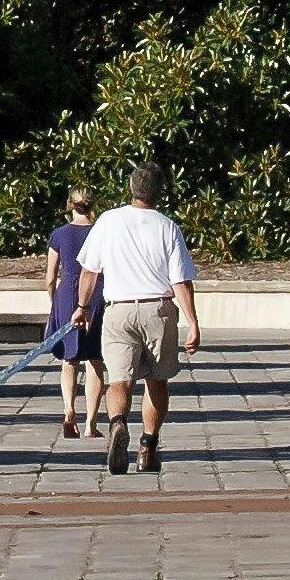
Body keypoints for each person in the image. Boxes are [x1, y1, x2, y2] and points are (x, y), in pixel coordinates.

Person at [79, 165, 199, 473]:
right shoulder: (167, 227)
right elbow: (180, 281)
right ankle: (148, 445)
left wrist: (82, 307)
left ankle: (118, 423)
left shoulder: (107, 220)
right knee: (156, 381)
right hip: (157, 309)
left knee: (119, 380)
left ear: (131, 188)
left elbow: (89, 270)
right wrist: (192, 322)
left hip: (118, 308)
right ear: (159, 191)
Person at [41, 187, 101, 438]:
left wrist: (54, 302)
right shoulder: (101, 232)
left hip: (66, 295)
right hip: (96, 293)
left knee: (69, 359)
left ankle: (68, 410)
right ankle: (91, 424)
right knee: (96, 361)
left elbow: (49, 277)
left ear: (70, 205)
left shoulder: (59, 234)